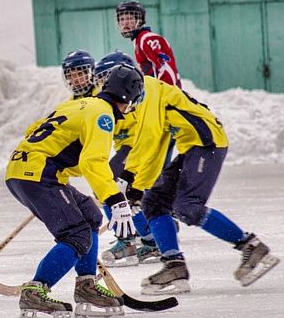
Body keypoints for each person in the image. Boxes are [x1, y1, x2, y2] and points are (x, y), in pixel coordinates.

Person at [115, 74, 280, 295]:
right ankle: (174, 266)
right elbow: (158, 147)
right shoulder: (148, 96)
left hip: (208, 144)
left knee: (187, 207)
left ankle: (251, 246)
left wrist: (130, 177)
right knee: (154, 203)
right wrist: (139, 187)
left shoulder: (149, 93)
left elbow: (149, 139)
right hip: (192, 148)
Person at [5, 62, 144, 318]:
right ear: (128, 96)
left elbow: (36, 131)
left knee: (90, 215)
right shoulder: (103, 115)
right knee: (76, 234)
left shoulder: (79, 104)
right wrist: (116, 200)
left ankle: (86, 286)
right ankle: (36, 289)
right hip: (39, 175)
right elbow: (94, 161)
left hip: (23, 171)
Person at [93, 52, 169, 267]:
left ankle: (128, 241)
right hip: (130, 150)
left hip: (137, 148)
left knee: (109, 188)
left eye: (107, 77)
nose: (104, 83)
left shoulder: (139, 98)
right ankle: (148, 238)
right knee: (116, 191)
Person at [116, 0, 182, 89]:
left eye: (129, 18)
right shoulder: (138, 41)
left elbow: (167, 68)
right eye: (122, 19)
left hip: (168, 97)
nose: (125, 23)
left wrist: (166, 96)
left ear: (140, 20)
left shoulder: (148, 38)